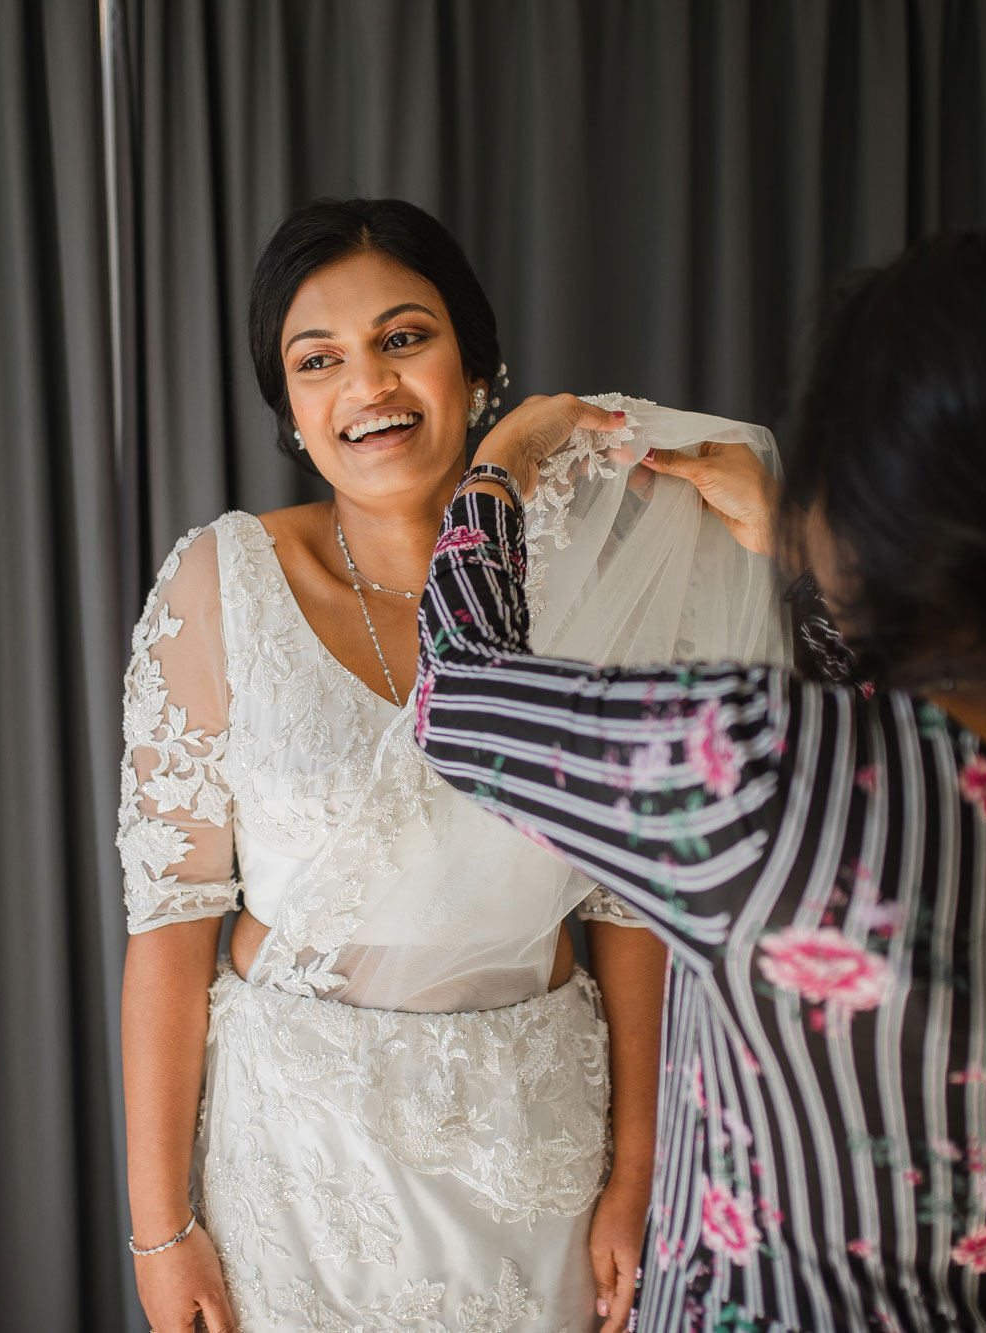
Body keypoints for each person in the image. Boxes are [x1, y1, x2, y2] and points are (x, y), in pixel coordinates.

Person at [413, 227, 986, 1332]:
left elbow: (459, 696)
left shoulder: (759, 772)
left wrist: (499, 467)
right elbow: (948, 720)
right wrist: (809, 557)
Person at [117, 197, 787, 1333]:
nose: (366, 385)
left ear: (478, 368)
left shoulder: (603, 575)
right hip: (293, 1171)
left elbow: (631, 906)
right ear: (288, 406)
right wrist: (158, 1227)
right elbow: (170, 930)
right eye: (316, 359)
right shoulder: (220, 582)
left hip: (534, 1156)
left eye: (402, 337)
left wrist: (637, 1172)